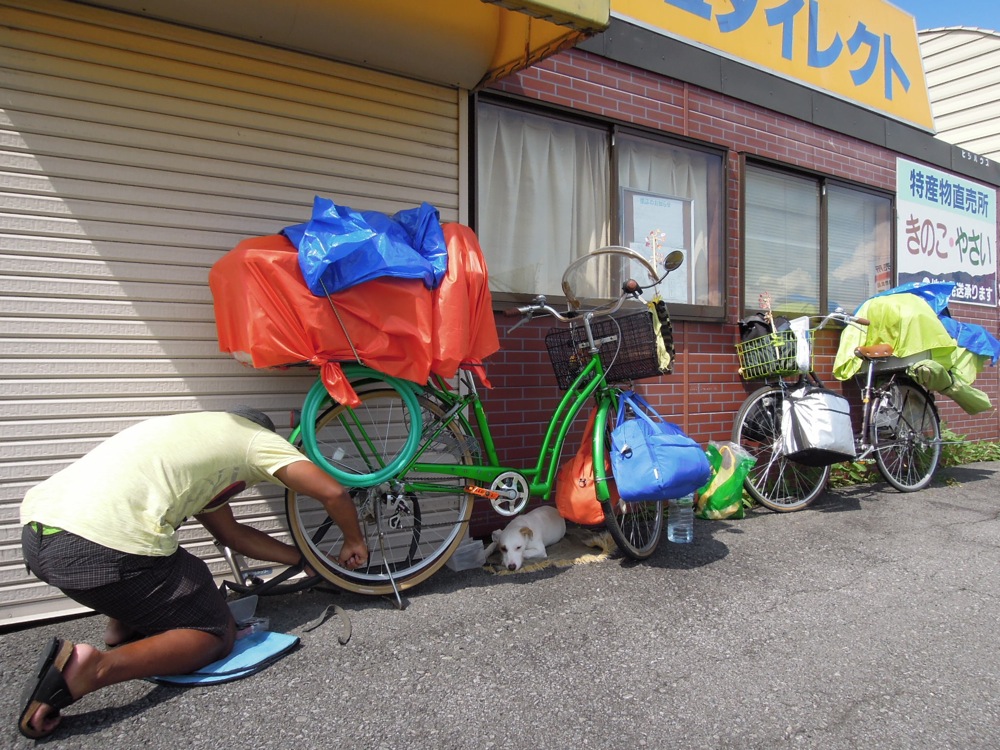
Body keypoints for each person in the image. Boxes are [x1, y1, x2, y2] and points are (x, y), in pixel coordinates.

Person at [17, 406, 367, 739]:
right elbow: (332, 492)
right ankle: (94, 670)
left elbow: (233, 535)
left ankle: (123, 624)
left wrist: (304, 560)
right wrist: (353, 540)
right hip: (98, 547)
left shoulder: (195, 437)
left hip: (40, 538)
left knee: (164, 560)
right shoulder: (257, 439)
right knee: (214, 633)